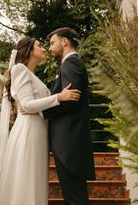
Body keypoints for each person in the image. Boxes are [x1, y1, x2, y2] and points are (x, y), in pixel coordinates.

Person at [0, 37, 81, 205]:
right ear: (29, 50)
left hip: (39, 131)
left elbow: (36, 106)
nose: (45, 49)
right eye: (40, 46)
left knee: (36, 179)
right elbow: (27, 105)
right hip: (28, 131)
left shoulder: (33, 76)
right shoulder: (19, 69)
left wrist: (47, 103)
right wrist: (59, 97)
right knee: (26, 178)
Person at [41, 27, 95, 204]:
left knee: (74, 197)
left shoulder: (71, 63)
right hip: (68, 141)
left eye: (52, 43)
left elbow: (71, 98)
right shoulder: (69, 64)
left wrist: (42, 110)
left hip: (69, 141)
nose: (50, 48)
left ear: (64, 42)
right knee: (72, 195)